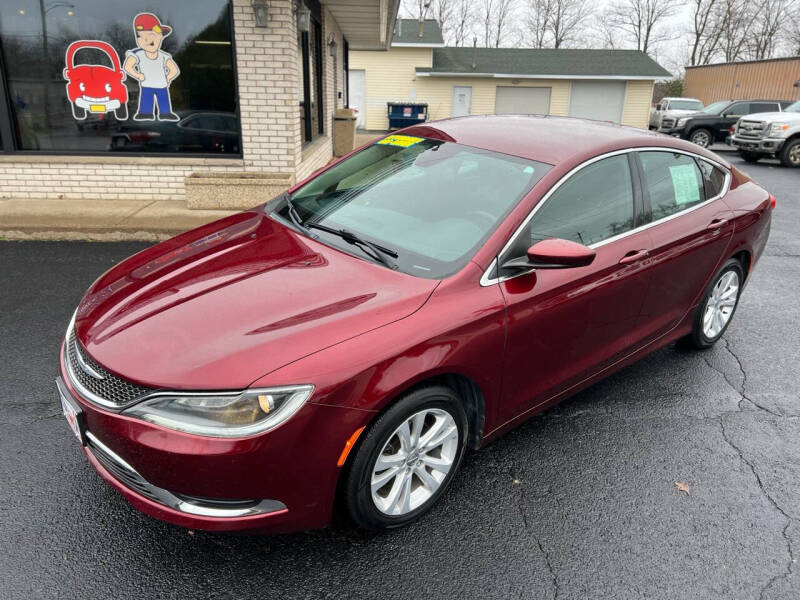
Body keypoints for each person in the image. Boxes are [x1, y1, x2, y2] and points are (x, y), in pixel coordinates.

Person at [123, 13, 180, 122]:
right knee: (146, 101)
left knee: (163, 101)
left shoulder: (164, 56)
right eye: (141, 37)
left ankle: (165, 113)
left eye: (151, 36)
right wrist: (137, 75)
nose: (146, 40)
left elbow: (174, 70)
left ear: (160, 37)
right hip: (146, 84)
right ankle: (145, 113)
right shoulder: (138, 54)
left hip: (162, 85)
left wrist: (168, 78)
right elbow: (127, 66)